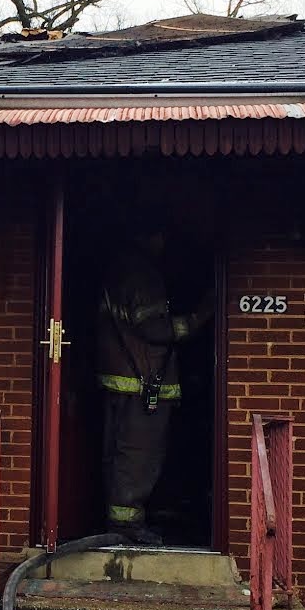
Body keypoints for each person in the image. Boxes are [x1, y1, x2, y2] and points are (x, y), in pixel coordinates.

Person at [97, 231, 215, 545]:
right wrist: (199, 318)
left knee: (119, 455)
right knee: (139, 457)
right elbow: (153, 328)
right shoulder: (142, 274)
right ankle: (126, 528)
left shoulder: (120, 269)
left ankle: (119, 523)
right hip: (142, 386)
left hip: (124, 383)